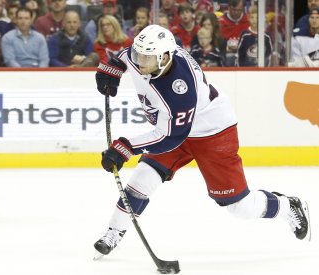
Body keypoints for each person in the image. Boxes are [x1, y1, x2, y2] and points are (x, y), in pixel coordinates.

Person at [92, 24, 311, 258]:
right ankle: (114, 231)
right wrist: (114, 66)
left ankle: (289, 206)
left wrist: (126, 147)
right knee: (141, 180)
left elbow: (170, 137)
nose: (139, 61)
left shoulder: (181, 89)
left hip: (213, 133)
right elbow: (128, 54)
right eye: (139, 55)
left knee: (241, 207)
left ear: (164, 58)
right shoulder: (152, 55)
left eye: (145, 57)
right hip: (174, 128)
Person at [218, 0, 250, 66]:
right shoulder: (220, 22)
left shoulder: (249, 20)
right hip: (226, 55)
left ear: (243, 8)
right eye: (233, 9)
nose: (235, 12)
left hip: (245, 55)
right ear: (228, 7)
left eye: (239, 10)